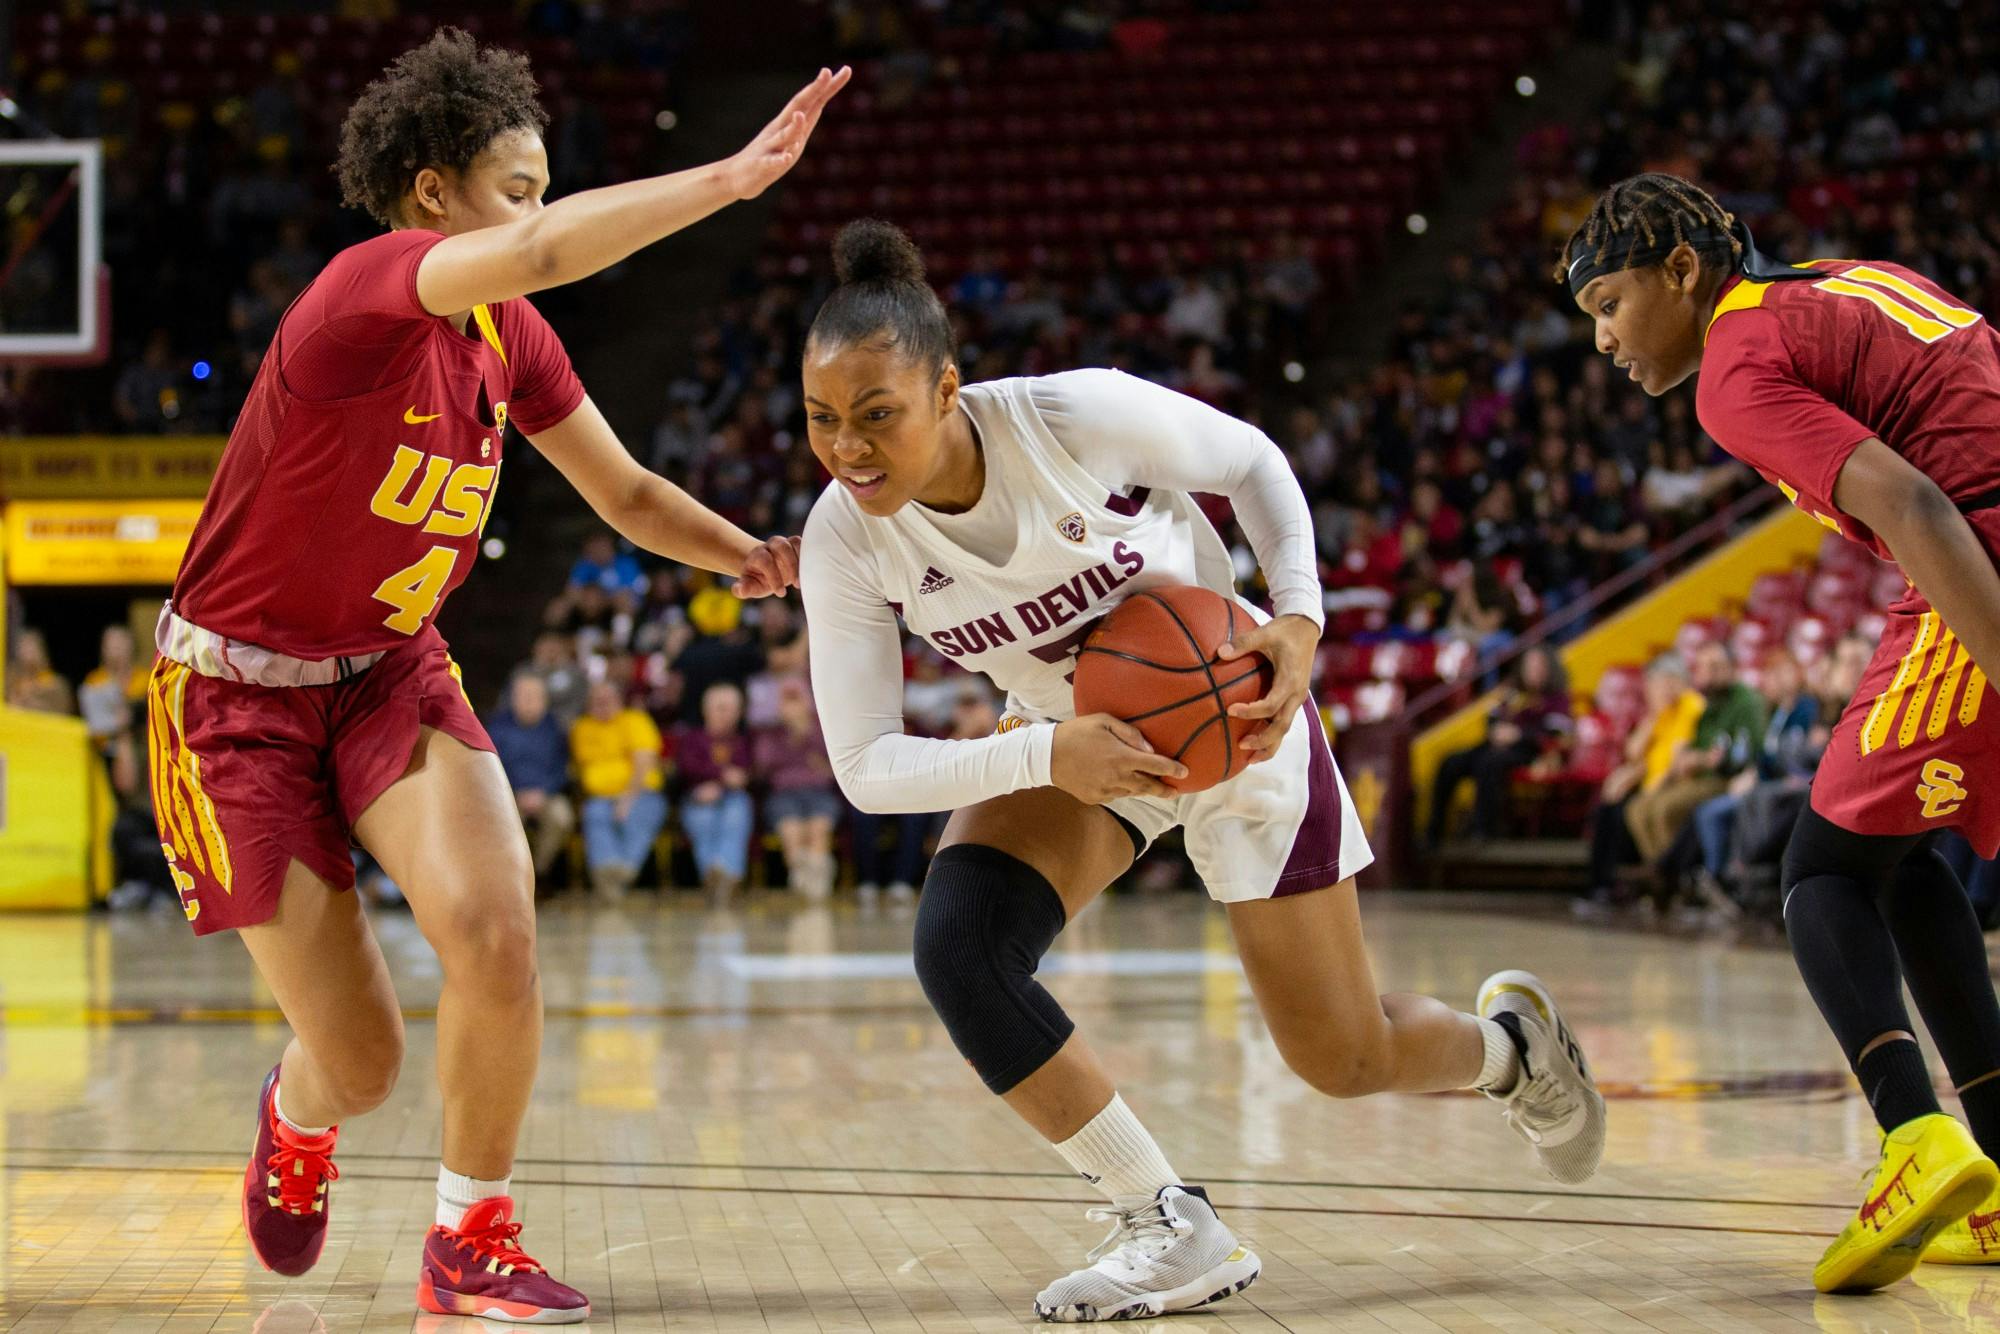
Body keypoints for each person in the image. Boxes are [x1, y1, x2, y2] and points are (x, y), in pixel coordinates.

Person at [142, 29, 846, 1322]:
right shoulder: (361, 294)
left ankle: (471, 1238)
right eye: (516, 188)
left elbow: (625, 490)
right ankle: (297, 1121)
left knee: (497, 931)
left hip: (391, 671)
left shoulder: (508, 339)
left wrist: (753, 554)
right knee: (359, 1063)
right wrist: (726, 182)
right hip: (234, 703)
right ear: (433, 196)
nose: (535, 216)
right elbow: (536, 250)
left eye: (539, 190)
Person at [798, 220, 1605, 1321]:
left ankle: (1508, 1051)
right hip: (1080, 745)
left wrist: (1300, 618)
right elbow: (860, 763)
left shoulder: (1070, 416)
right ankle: (1165, 1220)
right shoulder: (843, 536)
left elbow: (1251, 464)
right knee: (960, 946)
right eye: (821, 419)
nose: (847, 447)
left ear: (946, 389)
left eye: (874, 414)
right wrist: (1048, 750)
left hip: (1239, 723)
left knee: (1341, 1054)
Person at [1564, 171, 2000, 1293]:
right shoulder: (1843, 284)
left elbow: (1914, 505)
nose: (1602, 338)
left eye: (1607, 302)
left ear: (1678, 269)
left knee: (1816, 868)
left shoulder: (1732, 366)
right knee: (1890, 859)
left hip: (1977, 549)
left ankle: (1915, 1139)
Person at [1577, 654, 1703, 913]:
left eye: (1661, 683)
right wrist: (1651, 721)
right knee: (1605, 809)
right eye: (1652, 684)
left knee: (1623, 812)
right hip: (1650, 785)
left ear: (1676, 682)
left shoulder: (1690, 707)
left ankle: (1652, 883)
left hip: (1671, 786)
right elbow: (1634, 752)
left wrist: (1645, 783)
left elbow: (1676, 758)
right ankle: (1601, 886)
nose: (1655, 690)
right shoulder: (1662, 714)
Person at [1624, 640, 1765, 869]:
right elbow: (1690, 749)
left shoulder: (1746, 701)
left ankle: (1676, 876)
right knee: (1637, 809)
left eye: (1716, 666)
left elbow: (1746, 753)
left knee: (1664, 809)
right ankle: (1660, 873)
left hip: (1724, 779)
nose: (1709, 673)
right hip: (1698, 776)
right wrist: (1690, 760)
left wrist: (1701, 760)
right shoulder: (1708, 705)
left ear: (1732, 667)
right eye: (1704, 667)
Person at [1425, 645, 1570, 846]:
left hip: (1529, 750)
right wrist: (1497, 730)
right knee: (1451, 762)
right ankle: (1434, 832)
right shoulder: (1511, 693)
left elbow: (1556, 733)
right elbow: (1492, 718)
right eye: (1530, 665)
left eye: (1539, 666)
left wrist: (1518, 735)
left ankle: (1482, 831)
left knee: (1488, 763)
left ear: (1549, 669)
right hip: (1494, 746)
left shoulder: (1556, 699)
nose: (1533, 670)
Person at [570, 679, 669, 901]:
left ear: (619, 700)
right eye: (597, 701)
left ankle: (621, 872)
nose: (602, 705)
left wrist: (627, 799)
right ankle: (610, 870)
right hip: (600, 798)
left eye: (608, 700)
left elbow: (644, 761)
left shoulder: (635, 720)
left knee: (637, 816)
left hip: (640, 793)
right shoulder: (582, 727)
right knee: (595, 814)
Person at [753, 677, 842, 899]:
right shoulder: (770, 733)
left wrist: (807, 734)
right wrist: (791, 736)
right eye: (786, 700)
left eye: (796, 700)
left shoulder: (823, 728)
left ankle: (818, 887)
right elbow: (763, 766)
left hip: (819, 792)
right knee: (792, 831)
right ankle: (801, 881)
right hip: (784, 794)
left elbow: (835, 764)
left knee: (818, 829)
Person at [486, 673, 575, 888]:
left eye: (532, 696)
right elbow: (490, 767)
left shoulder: (555, 728)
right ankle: (510, 879)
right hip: (507, 796)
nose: (527, 701)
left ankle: (539, 874)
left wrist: (544, 792)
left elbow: (562, 769)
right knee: (500, 823)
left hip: (547, 795)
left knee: (561, 818)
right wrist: (515, 793)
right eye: (522, 695)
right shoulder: (497, 727)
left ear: (544, 699)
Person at [674, 681, 755, 902]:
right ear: (706, 709)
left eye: (732, 709)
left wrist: (722, 782)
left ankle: (725, 872)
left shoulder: (742, 741)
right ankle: (713, 875)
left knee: (736, 813)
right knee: (704, 819)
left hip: (732, 797)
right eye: (721, 708)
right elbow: (687, 767)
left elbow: (747, 772)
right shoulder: (692, 738)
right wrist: (721, 777)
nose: (727, 715)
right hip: (697, 797)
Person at [78, 624, 151, 751]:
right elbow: (93, 722)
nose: (116, 648)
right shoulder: (94, 680)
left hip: (142, 743)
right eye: (111, 643)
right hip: (104, 747)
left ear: (132, 645)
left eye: (121, 642)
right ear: (103, 648)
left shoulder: (146, 678)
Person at [7, 629, 74, 715]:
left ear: (40, 650)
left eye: (31, 648)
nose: (26, 653)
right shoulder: (13, 679)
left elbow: (60, 710)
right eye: (23, 647)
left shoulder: (55, 683)